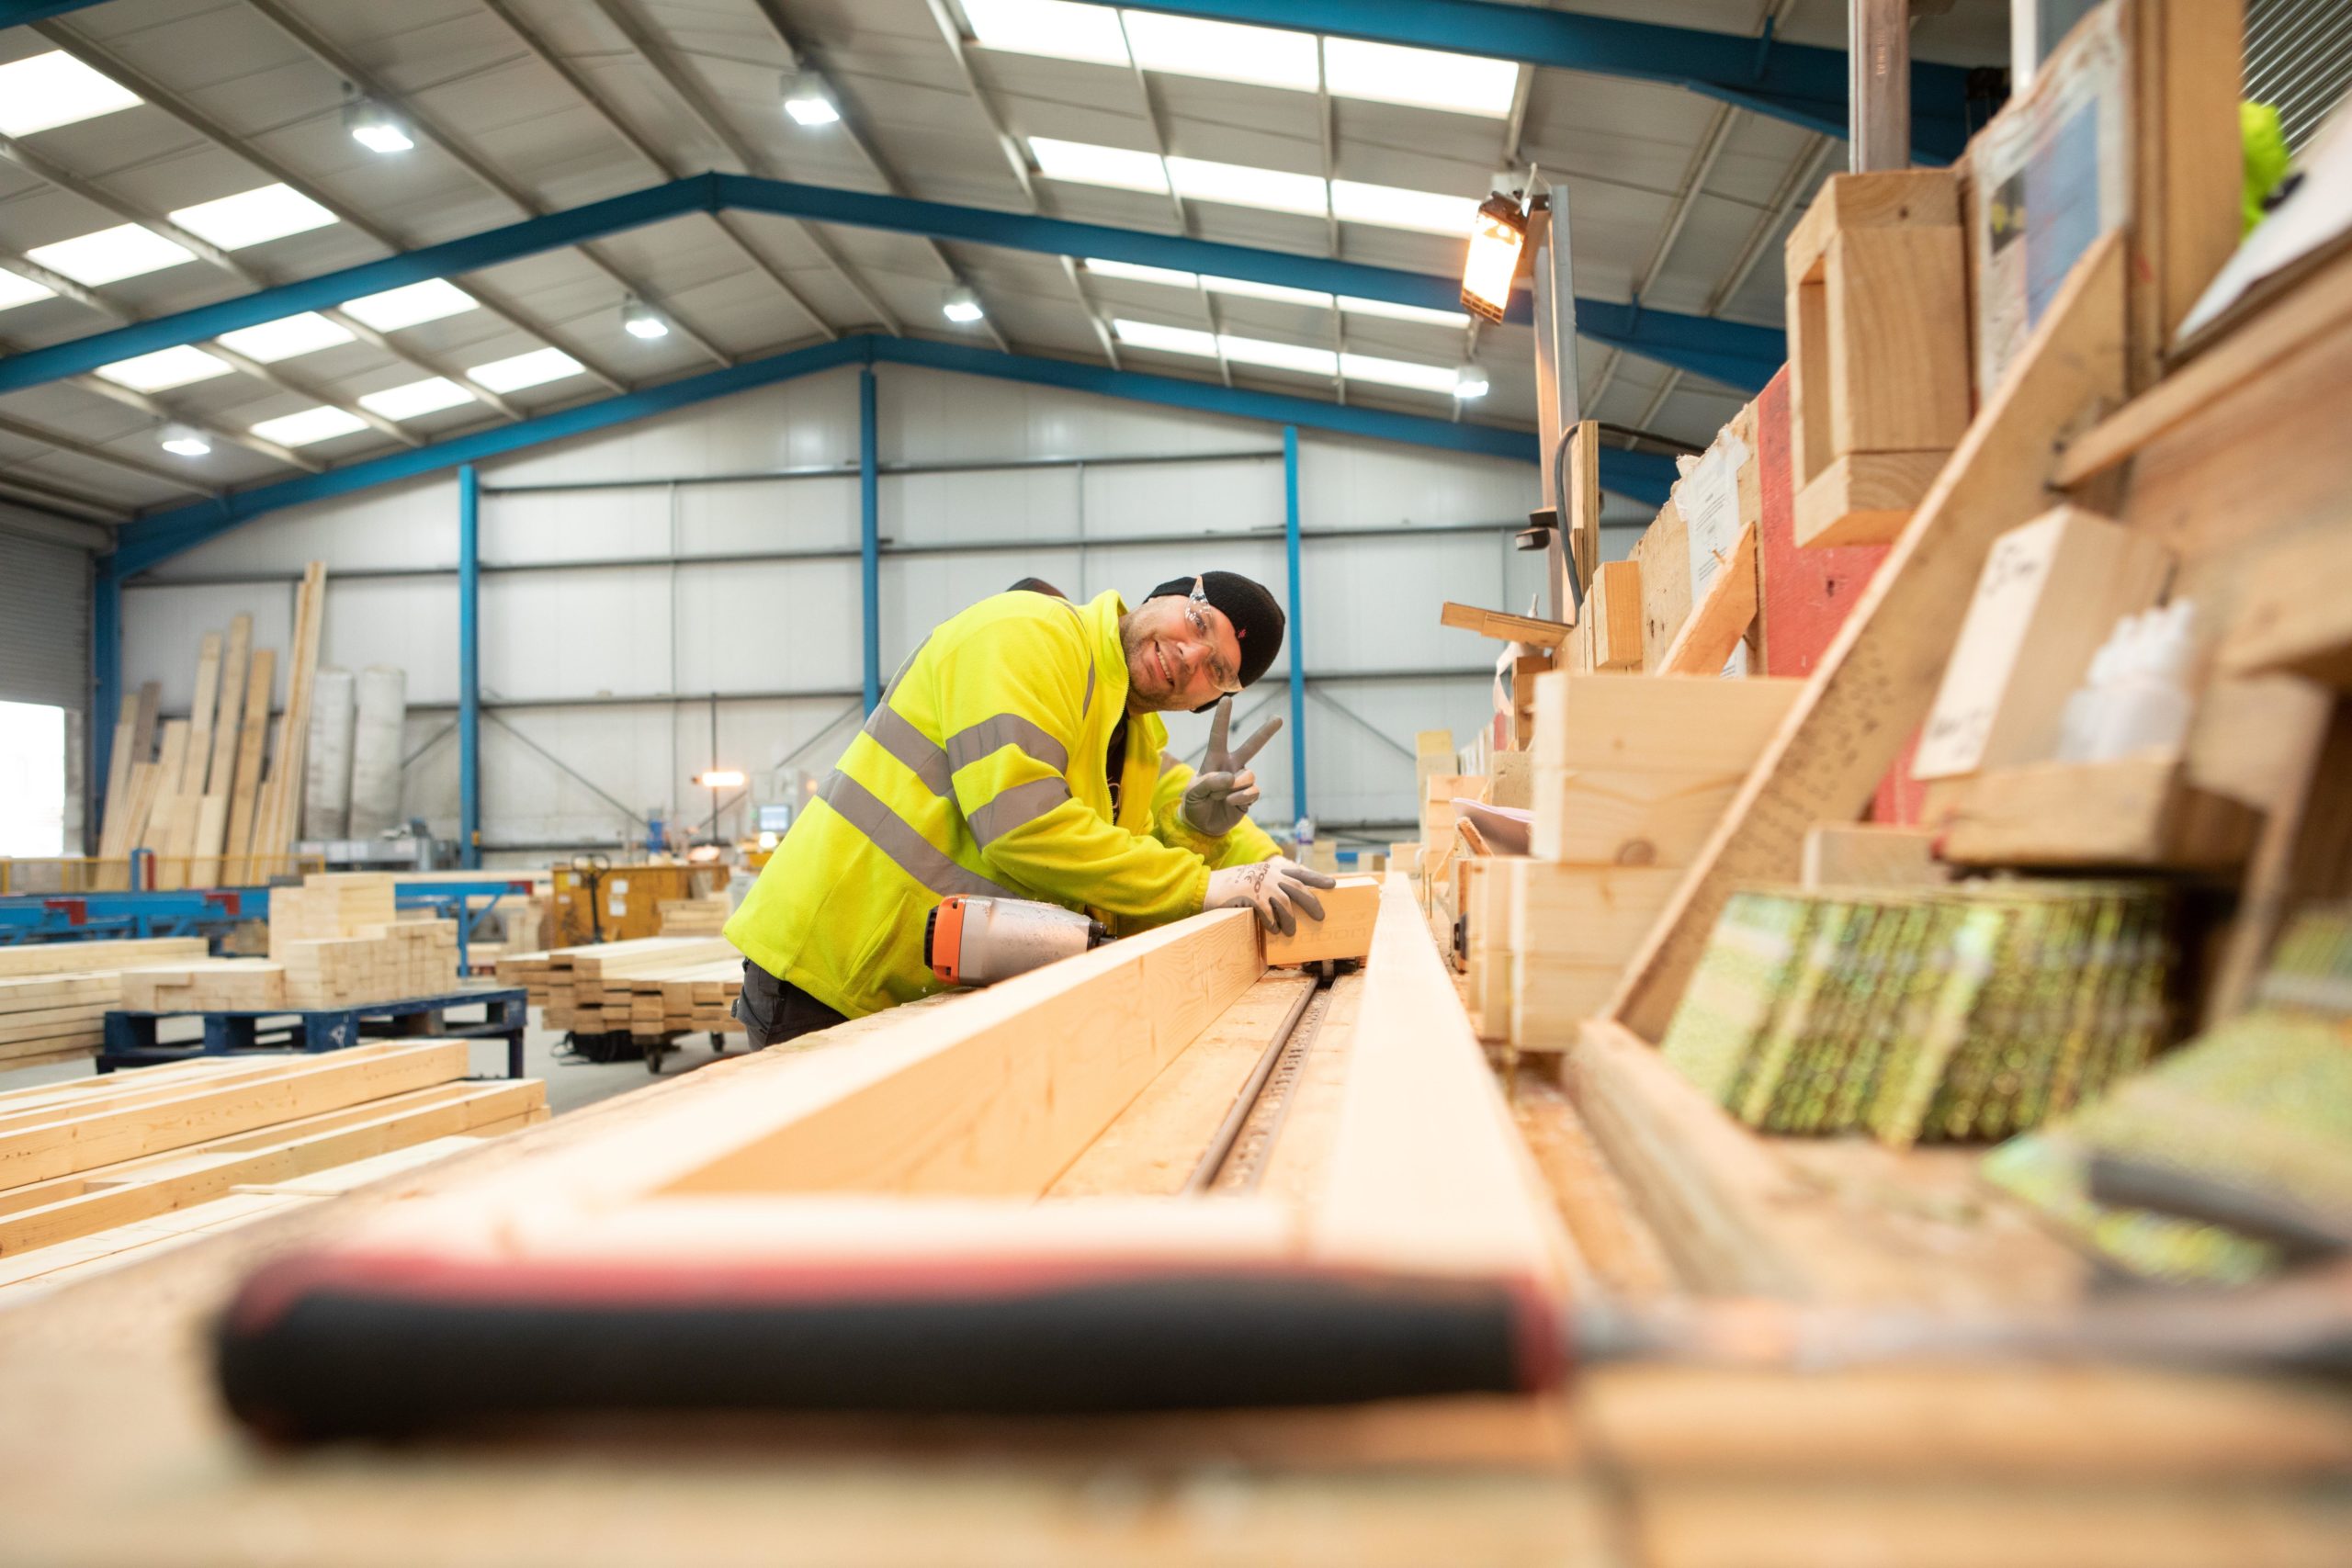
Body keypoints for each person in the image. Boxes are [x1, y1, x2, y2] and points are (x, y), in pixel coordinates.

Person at [726, 571, 1336, 1046]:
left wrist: (1204, 843)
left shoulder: (1134, 741)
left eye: (1219, 670)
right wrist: (1202, 884)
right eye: (1199, 621)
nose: (1190, 655)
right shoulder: (1029, 633)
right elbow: (1022, 825)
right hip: (828, 976)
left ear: (1212, 699)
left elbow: (1111, 900)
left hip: (921, 994)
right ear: (1168, 594)